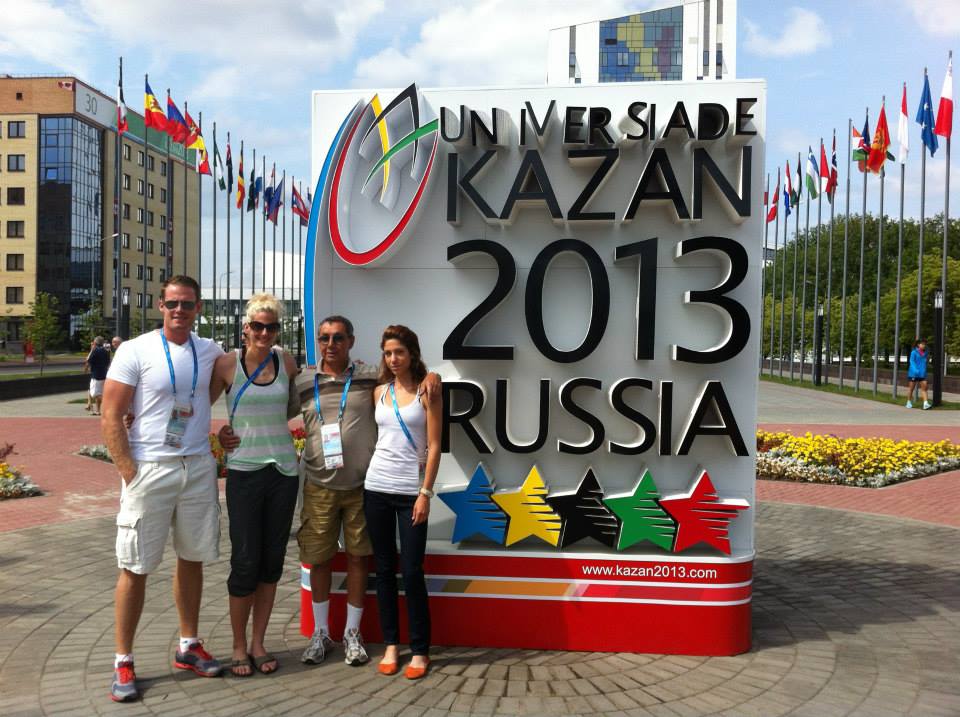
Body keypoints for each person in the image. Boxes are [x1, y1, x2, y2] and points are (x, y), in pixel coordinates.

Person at [100, 276, 224, 702]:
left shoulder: (210, 351)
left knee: (192, 558)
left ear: (198, 308)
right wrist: (129, 472)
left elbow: (227, 380)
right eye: (173, 303)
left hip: (196, 467)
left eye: (187, 304)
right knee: (135, 566)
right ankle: (123, 658)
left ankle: (188, 644)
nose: (179, 311)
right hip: (149, 468)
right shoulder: (135, 350)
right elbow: (111, 414)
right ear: (160, 306)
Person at [294, 316, 439, 668]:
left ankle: (378, 640)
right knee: (337, 562)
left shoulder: (373, 379)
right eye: (324, 338)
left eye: (338, 337)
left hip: (375, 487)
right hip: (341, 486)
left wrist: (433, 374)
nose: (331, 344)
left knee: (384, 564)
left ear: (351, 341)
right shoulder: (306, 381)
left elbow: (432, 436)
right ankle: (335, 635)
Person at [211, 294, 301, 677]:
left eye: (272, 327)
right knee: (245, 560)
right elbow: (199, 407)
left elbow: (301, 403)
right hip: (244, 472)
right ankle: (237, 645)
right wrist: (221, 434)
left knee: (272, 560)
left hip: (283, 472)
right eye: (258, 326)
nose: (265, 333)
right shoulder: (227, 364)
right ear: (246, 327)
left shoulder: (287, 362)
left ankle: (258, 643)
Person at [364, 325, 441, 680]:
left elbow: (436, 445)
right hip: (376, 487)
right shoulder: (379, 391)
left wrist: (425, 493)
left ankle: (420, 650)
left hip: (411, 494)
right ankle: (392, 645)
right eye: (388, 353)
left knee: (411, 572)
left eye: (399, 352)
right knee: (383, 571)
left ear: (412, 353)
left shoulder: (428, 390)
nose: (393, 359)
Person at [86, 337, 112, 415]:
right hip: (103, 374)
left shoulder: (95, 351)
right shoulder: (106, 351)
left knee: (94, 393)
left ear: (95, 343)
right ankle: (98, 410)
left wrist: (91, 350)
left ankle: (112, 403)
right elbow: (108, 362)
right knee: (99, 392)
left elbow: (89, 360)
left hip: (96, 375)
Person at [906, 338, 931, 410]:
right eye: (922, 344)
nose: (924, 345)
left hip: (922, 374)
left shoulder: (926, 353)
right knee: (911, 389)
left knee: (924, 388)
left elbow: (926, 362)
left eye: (925, 344)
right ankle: (908, 402)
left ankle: (925, 404)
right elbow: (912, 361)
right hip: (914, 374)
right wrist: (915, 370)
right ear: (918, 344)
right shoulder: (914, 352)